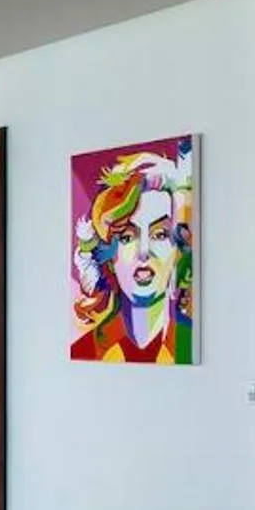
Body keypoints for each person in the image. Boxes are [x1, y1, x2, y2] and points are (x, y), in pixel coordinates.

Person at [71, 141, 195, 363]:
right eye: (127, 237)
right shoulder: (85, 350)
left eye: (159, 235)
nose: (144, 253)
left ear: (177, 249)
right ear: (108, 257)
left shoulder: (189, 344)